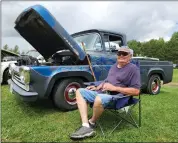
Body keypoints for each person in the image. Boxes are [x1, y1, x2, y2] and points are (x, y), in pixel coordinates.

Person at [70, 46, 141, 139]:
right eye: (119, 53)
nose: (121, 55)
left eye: (124, 54)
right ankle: (85, 125)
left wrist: (115, 88)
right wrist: (97, 86)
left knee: (98, 99)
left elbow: (136, 91)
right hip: (103, 91)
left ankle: (92, 122)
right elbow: (108, 80)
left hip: (118, 97)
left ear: (130, 56)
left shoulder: (133, 69)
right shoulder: (114, 66)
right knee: (80, 91)